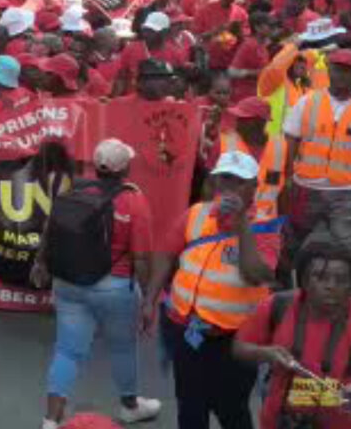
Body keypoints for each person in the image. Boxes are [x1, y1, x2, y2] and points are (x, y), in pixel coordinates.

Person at [145, 150, 282, 429]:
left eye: (237, 181)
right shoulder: (196, 214)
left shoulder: (265, 225)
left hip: (235, 342)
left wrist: (242, 223)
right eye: (223, 179)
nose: (228, 187)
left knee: (231, 409)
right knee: (190, 406)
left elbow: (257, 275)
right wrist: (149, 300)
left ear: (253, 186)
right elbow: (166, 254)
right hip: (188, 331)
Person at [33, 139, 160, 429]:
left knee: (67, 351)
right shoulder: (134, 200)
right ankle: (130, 406)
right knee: (123, 347)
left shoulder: (74, 191)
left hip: (68, 283)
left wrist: (40, 263)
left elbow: (50, 229)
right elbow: (141, 260)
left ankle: (50, 421)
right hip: (114, 288)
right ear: (125, 168)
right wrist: (148, 302)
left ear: (96, 166)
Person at [233, 231, 351, 429]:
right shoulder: (278, 306)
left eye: (341, 280)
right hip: (280, 421)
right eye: (320, 278)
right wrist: (266, 353)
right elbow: (238, 347)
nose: (331, 286)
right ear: (304, 281)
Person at [285, 48, 351, 249]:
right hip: (306, 187)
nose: (343, 75)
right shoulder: (308, 101)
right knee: (297, 240)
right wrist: (289, 178)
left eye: (348, 71)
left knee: (345, 245)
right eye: (338, 69)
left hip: (345, 192)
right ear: (329, 70)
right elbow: (292, 139)